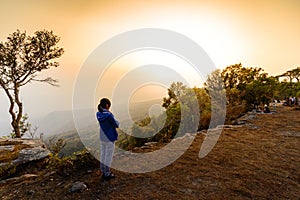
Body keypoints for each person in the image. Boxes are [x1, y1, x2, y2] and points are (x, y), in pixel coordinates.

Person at [96, 98, 119, 180]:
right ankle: (107, 174)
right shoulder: (109, 115)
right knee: (108, 156)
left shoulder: (98, 114)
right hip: (109, 137)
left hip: (102, 137)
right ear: (107, 105)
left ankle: (103, 171)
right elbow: (116, 124)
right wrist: (111, 114)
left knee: (103, 154)